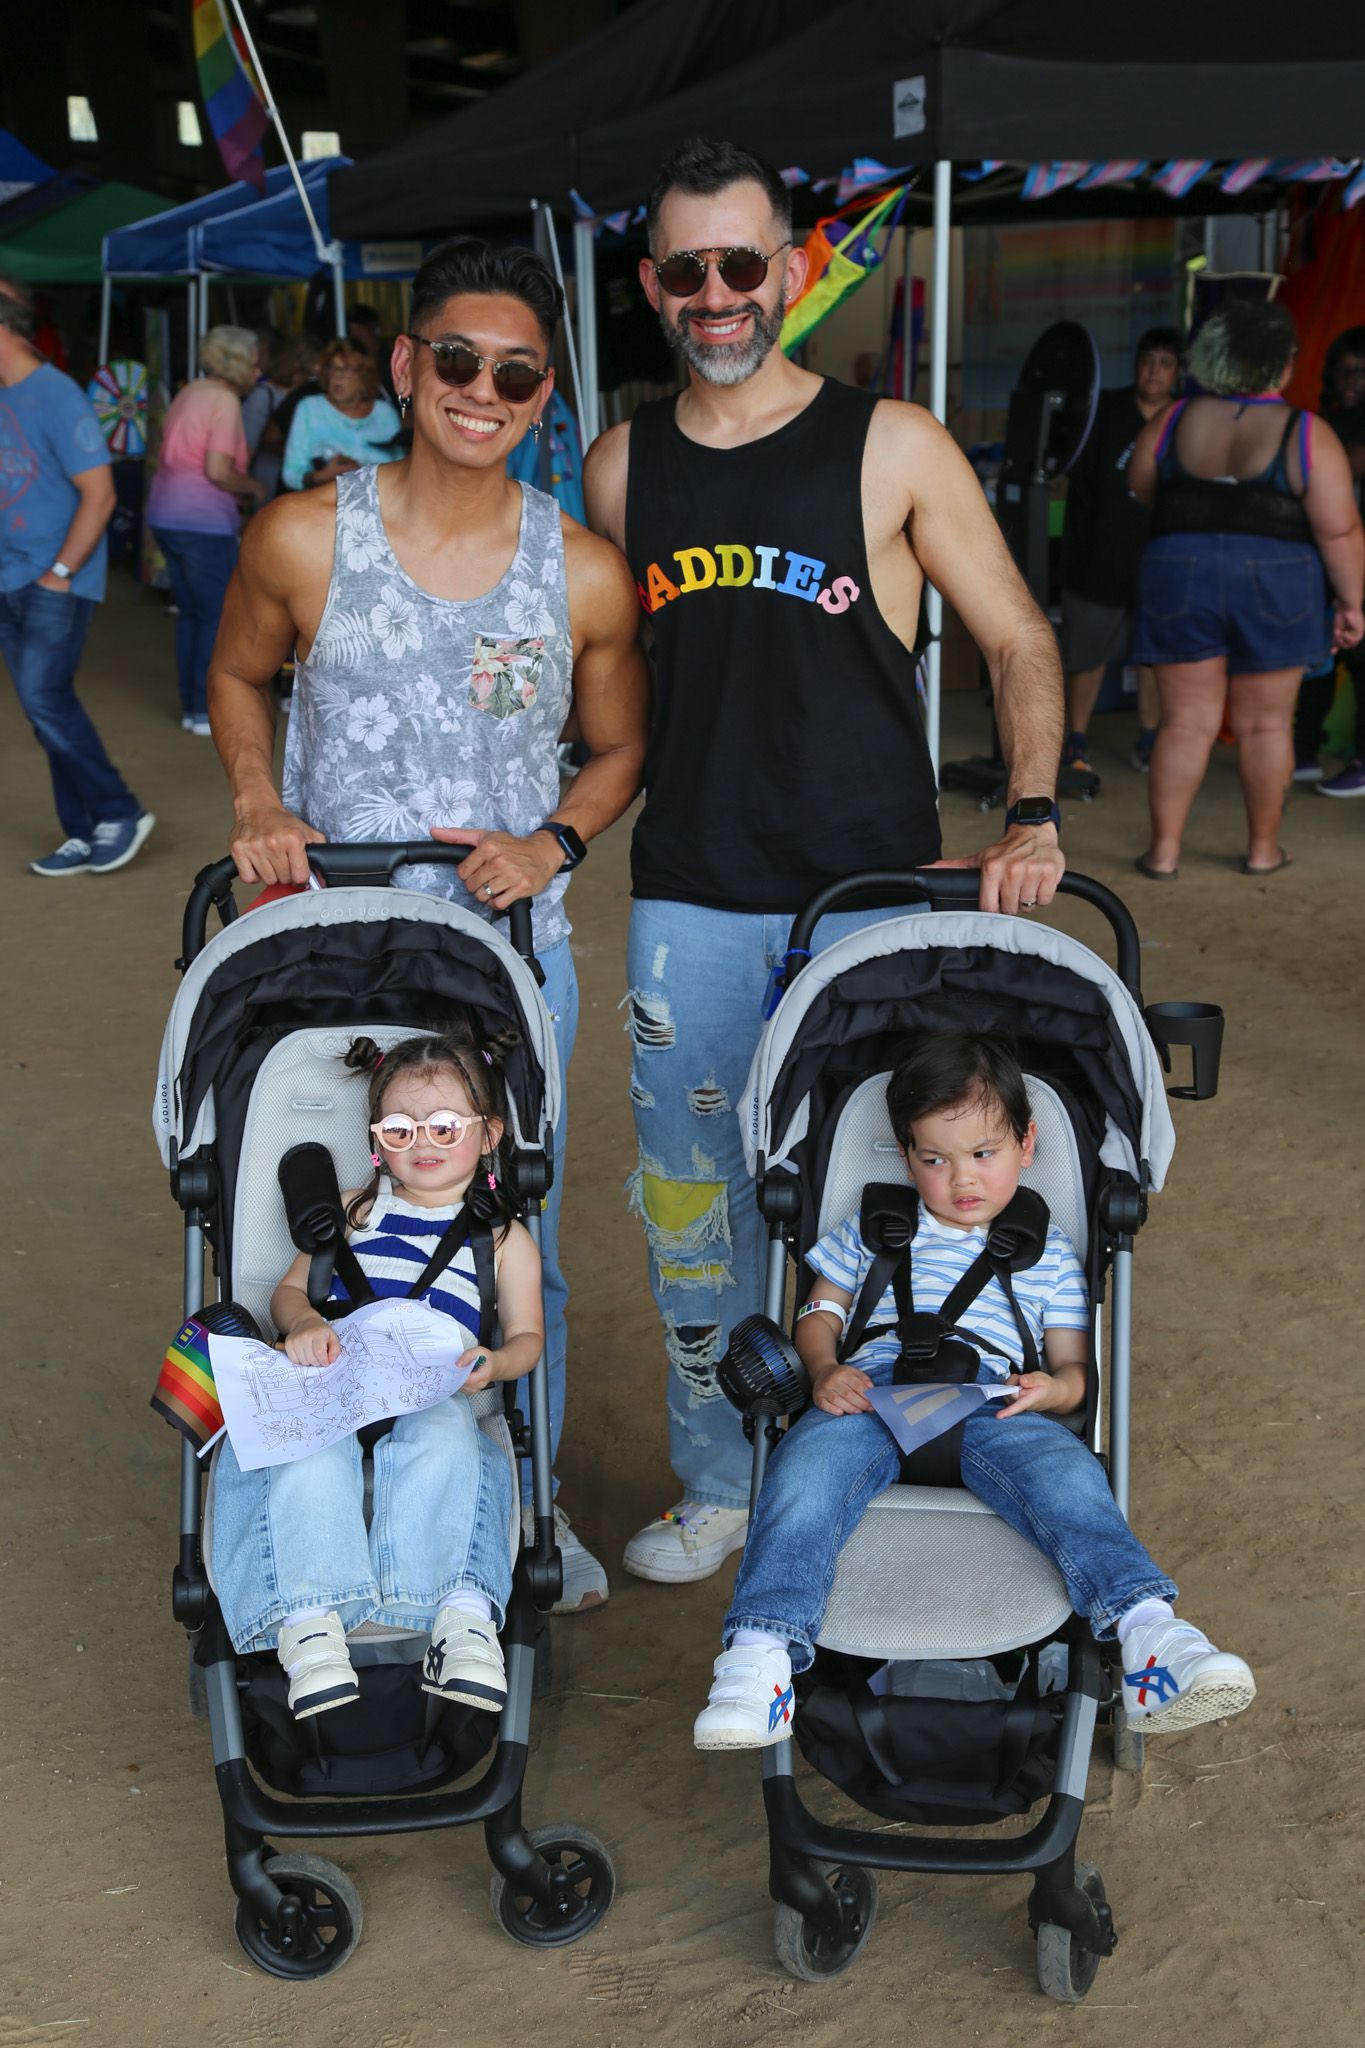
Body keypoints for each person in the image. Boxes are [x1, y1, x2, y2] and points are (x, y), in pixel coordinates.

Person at [583, 137, 1066, 1586]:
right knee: (691, 1206)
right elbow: (606, 688)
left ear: (790, 270)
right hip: (689, 891)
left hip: (872, 894)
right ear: (653, 286)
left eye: (744, 264)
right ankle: (723, 1478)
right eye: (687, 269)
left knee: (877, 1192)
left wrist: (1032, 809)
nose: (717, 294)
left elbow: (1019, 637)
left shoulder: (892, 444)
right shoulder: (621, 465)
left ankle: (866, 1455)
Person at [208, 235, 649, 1612]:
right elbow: (235, 675)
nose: (482, 389)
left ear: (544, 397)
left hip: (505, 971)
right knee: (319, 1220)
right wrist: (258, 800)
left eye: (516, 373)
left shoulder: (579, 572)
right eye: (455, 358)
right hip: (325, 954)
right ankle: (328, 1470)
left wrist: (554, 840)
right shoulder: (301, 534)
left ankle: (524, 1503)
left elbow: (618, 751)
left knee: (514, 1235)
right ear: (405, 366)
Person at [693, 1033, 1257, 1749]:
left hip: (992, 1400)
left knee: (1065, 1477)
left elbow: (1075, 1375)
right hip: (871, 1395)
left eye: (982, 1154)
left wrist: (1048, 1391)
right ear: (906, 1157)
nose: (961, 1178)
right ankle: (759, 1656)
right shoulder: (871, 1227)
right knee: (801, 1476)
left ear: (1026, 1144)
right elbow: (819, 1314)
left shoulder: (1047, 1252)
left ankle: (1149, 1636)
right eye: (935, 1159)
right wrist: (825, 1367)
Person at [209, 1025, 540, 1719]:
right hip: (337, 1379)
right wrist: (302, 1324)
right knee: (305, 1456)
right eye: (399, 1129)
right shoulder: (359, 1209)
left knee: (448, 1440)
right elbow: (291, 1292)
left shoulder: (502, 1238)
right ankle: (310, 1625)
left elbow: (527, 1338)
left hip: (430, 1387)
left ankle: (456, 1612)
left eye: (446, 1127)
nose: (422, 1144)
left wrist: (495, 1364)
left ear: (490, 1135)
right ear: (374, 1139)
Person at [1128, 300, 1365, 878]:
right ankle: (1262, 851)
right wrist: (1353, 603)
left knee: (1184, 721)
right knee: (1266, 725)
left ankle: (1164, 853)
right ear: (1283, 366)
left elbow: (1140, 488)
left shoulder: (1173, 419)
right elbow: (1338, 529)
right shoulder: (1305, 431)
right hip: (1278, 575)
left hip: (1179, 566)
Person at [0, 271, 153, 877]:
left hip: (51, 580)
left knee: (44, 698)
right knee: (45, 711)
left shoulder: (57, 394)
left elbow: (100, 494)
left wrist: (60, 572)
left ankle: (120, 811)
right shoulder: (7, 397)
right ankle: (85, 829)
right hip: (12, 578)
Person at [1060, 327, 1182, 777]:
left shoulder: (1184, 417)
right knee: (1087, 654)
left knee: (1155, 655)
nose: (1154, 370)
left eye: (1165, 362)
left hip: (1162, 559)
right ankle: (1076, 739)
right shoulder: (1105, 410)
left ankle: (1149, 738)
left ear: (1178, 371)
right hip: (1099, 556)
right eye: (1147, 359)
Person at [146, 324, 265, 737]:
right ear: (236, 363)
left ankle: (191, 705)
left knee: (192, 615)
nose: (258, 370)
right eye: (254, 361)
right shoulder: (226, 401)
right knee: (215, 618)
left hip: (164, 514)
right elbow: (218, 471)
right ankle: (202, 708)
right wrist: (255, 487)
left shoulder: (189, 391)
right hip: (203, 522)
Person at [1297, 327, 1365, 796]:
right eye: (1343, 372)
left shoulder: (1331, 434)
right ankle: (1302, 749)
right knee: (1319, 658)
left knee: (1358, 662)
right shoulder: (1328, 423)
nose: (1350, 381)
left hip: (1352, 557)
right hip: (1326, 560)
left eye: (1360, 372)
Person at [280, 338, 402, 493]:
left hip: (381, 504)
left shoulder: (384, 413)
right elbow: (290, 474)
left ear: (364, 377)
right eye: (333, 369)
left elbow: (401, 470)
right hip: (325, 505)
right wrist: (321, 476)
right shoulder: (310, 408)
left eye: (347, 370)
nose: (338, 377)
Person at [252, 336, 321, 500]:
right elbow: (253, 442)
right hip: (268, 475)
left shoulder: (309, 394)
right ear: (299, 363)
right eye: (317, 362)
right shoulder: (264, 394)